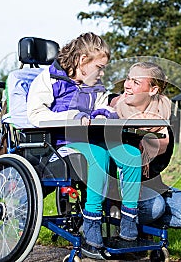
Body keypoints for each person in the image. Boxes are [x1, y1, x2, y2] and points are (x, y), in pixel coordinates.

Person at [26, 32, 142, 253]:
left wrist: (104, 115)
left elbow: (104, 106)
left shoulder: (94, 85)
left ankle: (128, 223)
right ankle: (91, 222)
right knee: (99, 156)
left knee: (132, 155)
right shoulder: (49, 80)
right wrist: (73, 117)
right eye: (100, 67)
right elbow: (35, 115)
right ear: (82, 61)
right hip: (60, 145)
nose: (102, 72)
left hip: (94, 139)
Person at [110, 61, 181, 230]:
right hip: (117, 189)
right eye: (128, 79)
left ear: (153, 90)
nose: (127, 85)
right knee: (155, 207)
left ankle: (139, 223)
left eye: (136, 82)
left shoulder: (164, 119)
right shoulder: (112, 110)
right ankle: (121, 220)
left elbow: (157, 167)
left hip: (151, 186)